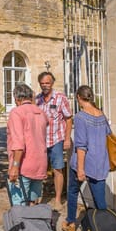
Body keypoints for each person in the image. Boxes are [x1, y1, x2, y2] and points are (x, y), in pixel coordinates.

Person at [62, 85, 110, 231]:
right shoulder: (102, 115)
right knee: (100, 202)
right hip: (100, 163)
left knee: (72, 191)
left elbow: (81, 146)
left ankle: (70, 223)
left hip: (83, 164)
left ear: (78, 98)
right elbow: (108, 134)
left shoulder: (81, 117)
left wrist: (81, 169)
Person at [36, 72, 73, 211]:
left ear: (52, 83)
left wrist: (67, 138)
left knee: (58, 169)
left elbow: (68, 118)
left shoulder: (60, 98)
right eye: (43, 83)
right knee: (39, 169)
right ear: (40, 83)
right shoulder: (37, 99)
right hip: (40, 141)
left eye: (48, 83)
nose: (45, 85)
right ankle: (37, 197)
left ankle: (57, 199)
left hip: (56, 139)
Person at [7, 83, 48, 206]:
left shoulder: (17, 113)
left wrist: (15, 166)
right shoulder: (41, 113)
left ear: (16, 99)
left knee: (19, 204)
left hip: (24, 164)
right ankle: (33, 226)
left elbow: (19, 143)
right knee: (33, 202)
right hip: (40, 162)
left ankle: (22, 225)